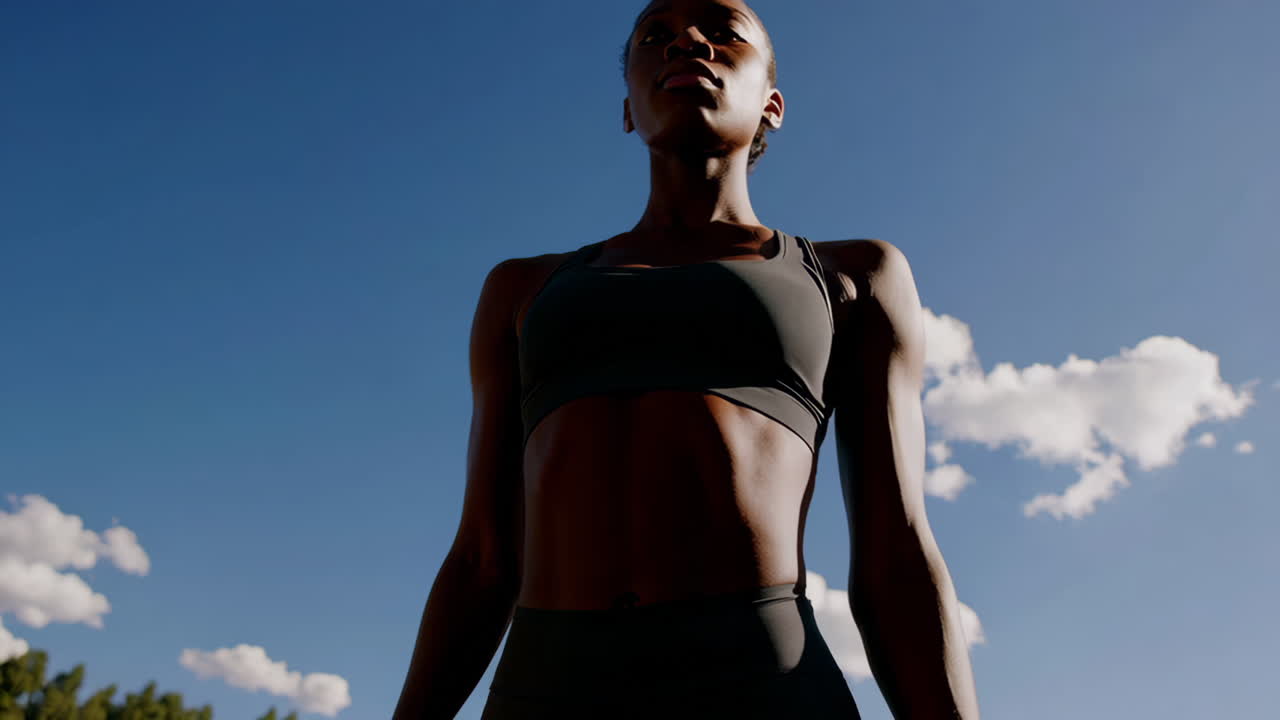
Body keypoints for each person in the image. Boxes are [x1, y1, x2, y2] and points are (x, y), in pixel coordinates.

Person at [393, 0, 981, 717]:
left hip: (763, 679)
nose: (689, 43)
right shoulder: (521, 287)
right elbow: (482, 558)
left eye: (723, 32)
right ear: (627, 111)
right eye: (656, 37)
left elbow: (896, 551)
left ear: (772, 104)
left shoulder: (853, 274)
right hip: (548, 684)